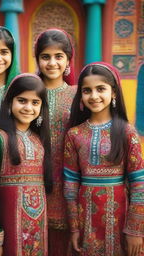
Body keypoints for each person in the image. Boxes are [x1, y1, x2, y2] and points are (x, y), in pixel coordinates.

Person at [63, 62, 144, 256]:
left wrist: (135, 230)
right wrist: (74, 229)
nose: (94, 96)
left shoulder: (126, 132)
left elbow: (139, 184)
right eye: (87, 90)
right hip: (86, 222)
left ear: (114, 92)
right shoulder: (74, 134)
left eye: (101, 89)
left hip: (122, 221)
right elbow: (70, 186)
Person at [0, 73, 53, 256]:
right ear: (9, 103)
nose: (28, 107)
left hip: (38, 229)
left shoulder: (39, 141)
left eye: (35, 103)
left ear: (42, 108)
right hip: (7, 229)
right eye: (22, 100)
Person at [35, 28, 76, 255]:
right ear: (38, 60)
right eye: (45, 57)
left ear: (68, 60)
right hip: (33, 183)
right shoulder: (28, 95)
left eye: (58, 56)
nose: (52, 63)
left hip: (69, 185)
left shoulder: (78, 94)